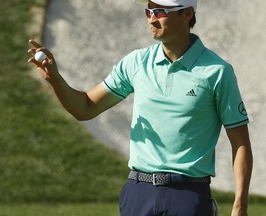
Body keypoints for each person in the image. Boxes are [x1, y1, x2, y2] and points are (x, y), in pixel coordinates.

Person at [28, 0, 253, 215]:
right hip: (139, 192)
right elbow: (85, 108)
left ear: (188, 13)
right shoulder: (136, 63)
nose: (152, 20)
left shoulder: (217, 72)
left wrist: (239, 207)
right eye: (149, 12)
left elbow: (240, 143)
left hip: (189, 195)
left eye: (161, 12)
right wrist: (55, 80)